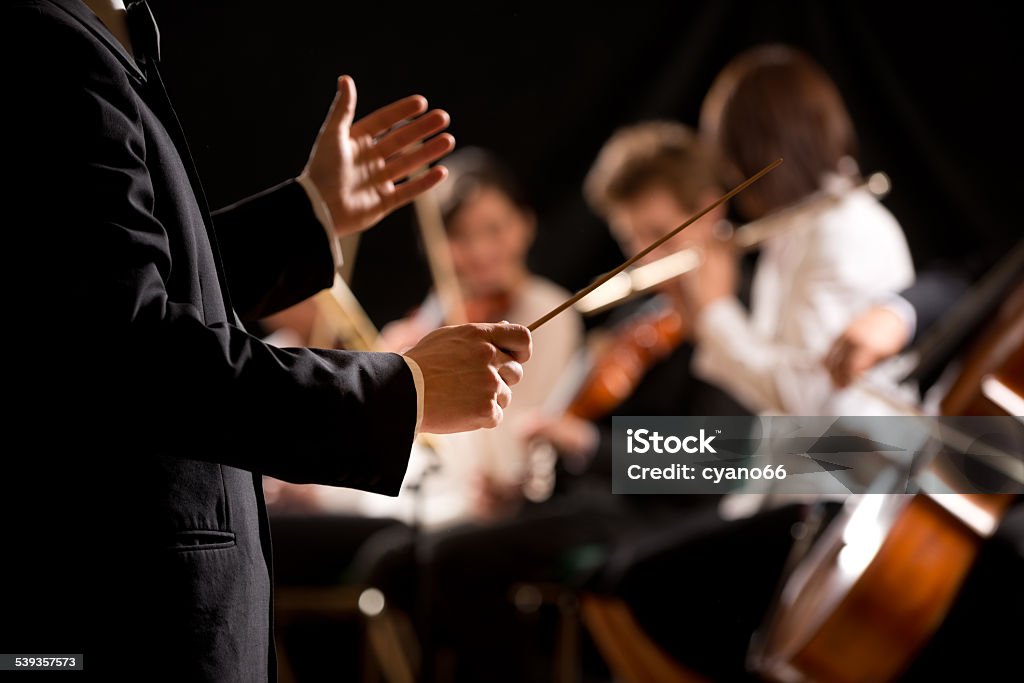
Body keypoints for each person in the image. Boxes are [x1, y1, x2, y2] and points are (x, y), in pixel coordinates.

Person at [2, 2, 531, 681]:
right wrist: (402, 390)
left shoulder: (79, 39)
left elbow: (114, 292)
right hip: (122, 611)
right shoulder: (50, 44)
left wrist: (307, 216)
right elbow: (132, 348)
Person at [685, 44, 915, 417]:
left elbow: (807, 400)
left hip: (848, 470)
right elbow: (773, 390)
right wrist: (698, 317)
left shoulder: (843, 233)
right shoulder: (794, 229)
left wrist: (716, 311)